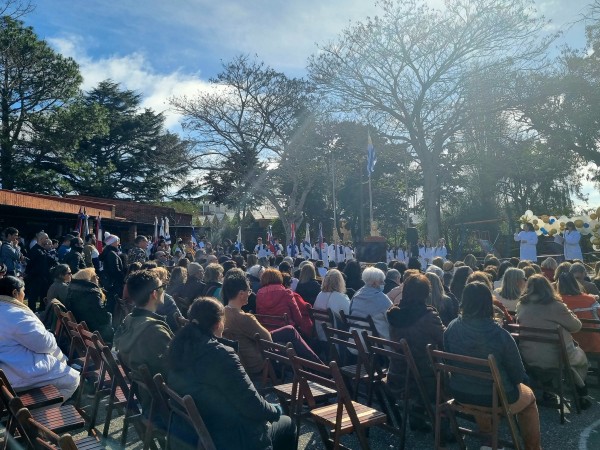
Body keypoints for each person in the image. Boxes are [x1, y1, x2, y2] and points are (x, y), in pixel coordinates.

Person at [167, 297, 297, 450]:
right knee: (288, 423)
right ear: (218, 324)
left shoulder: (177, 348)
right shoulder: (220, 354)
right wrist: (275, 411)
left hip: (203, 431)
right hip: (234, 437)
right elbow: (252, 405)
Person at [444, 282, 541, 450]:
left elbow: (449, 363)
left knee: (480, 384)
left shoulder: (451, 328)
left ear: (463, 301)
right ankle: (533, 448)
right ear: (488, 302)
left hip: (460, 392)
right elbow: (517, 375)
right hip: (494, 397)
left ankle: (487, 440)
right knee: (529, 398)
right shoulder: (500, 334)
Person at [223, 269, 320, 376]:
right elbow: (267, 339)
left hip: (245, 359)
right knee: (290, 331)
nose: (249, 294)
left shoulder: (223, 313)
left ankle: (317, 368)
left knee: (289, 331)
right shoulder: (244, 318)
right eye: (249, 291)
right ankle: (321, 369)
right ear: (241, 294)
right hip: (258, 362)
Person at [516, 274, 591, 408]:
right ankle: (581, 390)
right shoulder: (555, 306)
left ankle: (548, 387)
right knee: (577, 355)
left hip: (529, 356)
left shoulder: (521, 305)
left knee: (557, 348)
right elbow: (576, 326)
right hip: (556, 358)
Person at [0, 276, 79, 401]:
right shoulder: (16, 314)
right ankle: (35, 416)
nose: (24, 294)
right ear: (15, 293)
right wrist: (49, 336)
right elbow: (44, 344)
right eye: (23, 291)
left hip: (6, 370)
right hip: (17, 372)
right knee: (73, 379)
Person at [387, 273, 444, 431]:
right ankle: (445, 430)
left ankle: (417, 417)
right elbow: (444, 341)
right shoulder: (429, 317)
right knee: (448, 373)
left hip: (398, 373)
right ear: (425, 294)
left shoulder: (393, 314)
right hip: (425, 379)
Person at [114, 270, 174, 379]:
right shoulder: (155, 330)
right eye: (162, 287)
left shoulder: (129, 319)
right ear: (154, 294)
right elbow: (172, 367)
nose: (164, 290)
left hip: (143, 389)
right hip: (162, 392)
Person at [556, 272, 600, 354]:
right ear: (575, 283)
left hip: (572, 346)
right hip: (595, 344)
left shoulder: (558, 303)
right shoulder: (590, 300)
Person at [349, 267, 393, 339]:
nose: (384, 283)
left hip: (356, 339)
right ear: (375, 283)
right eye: (381, 281)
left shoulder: (356, 295)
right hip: (378, 342)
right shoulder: (381, 297)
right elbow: (392, 318)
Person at [313, 269, 351, 341]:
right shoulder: (339, 297)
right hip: (336, 337)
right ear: (340, 281)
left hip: (320, 334)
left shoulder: (320, 295)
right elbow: (350, 316)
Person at [25, 232, 56, 311]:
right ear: (41, 239)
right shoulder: (35, 250)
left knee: (43, 296)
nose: (48, 240)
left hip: (43, 278)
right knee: (33, 297)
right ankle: (31, 311)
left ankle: (42, 311)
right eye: (46, 238)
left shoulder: (43, 250)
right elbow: (30, 264)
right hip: (35, 278)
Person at [99, 232, 125, 313]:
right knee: (113, 302)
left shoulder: (108, 252)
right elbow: (115, 270)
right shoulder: (112, 254)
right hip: (114, 282)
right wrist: (122, 278)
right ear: (112, 242)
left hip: (109, 281)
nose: (118, 243)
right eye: (117, 241)